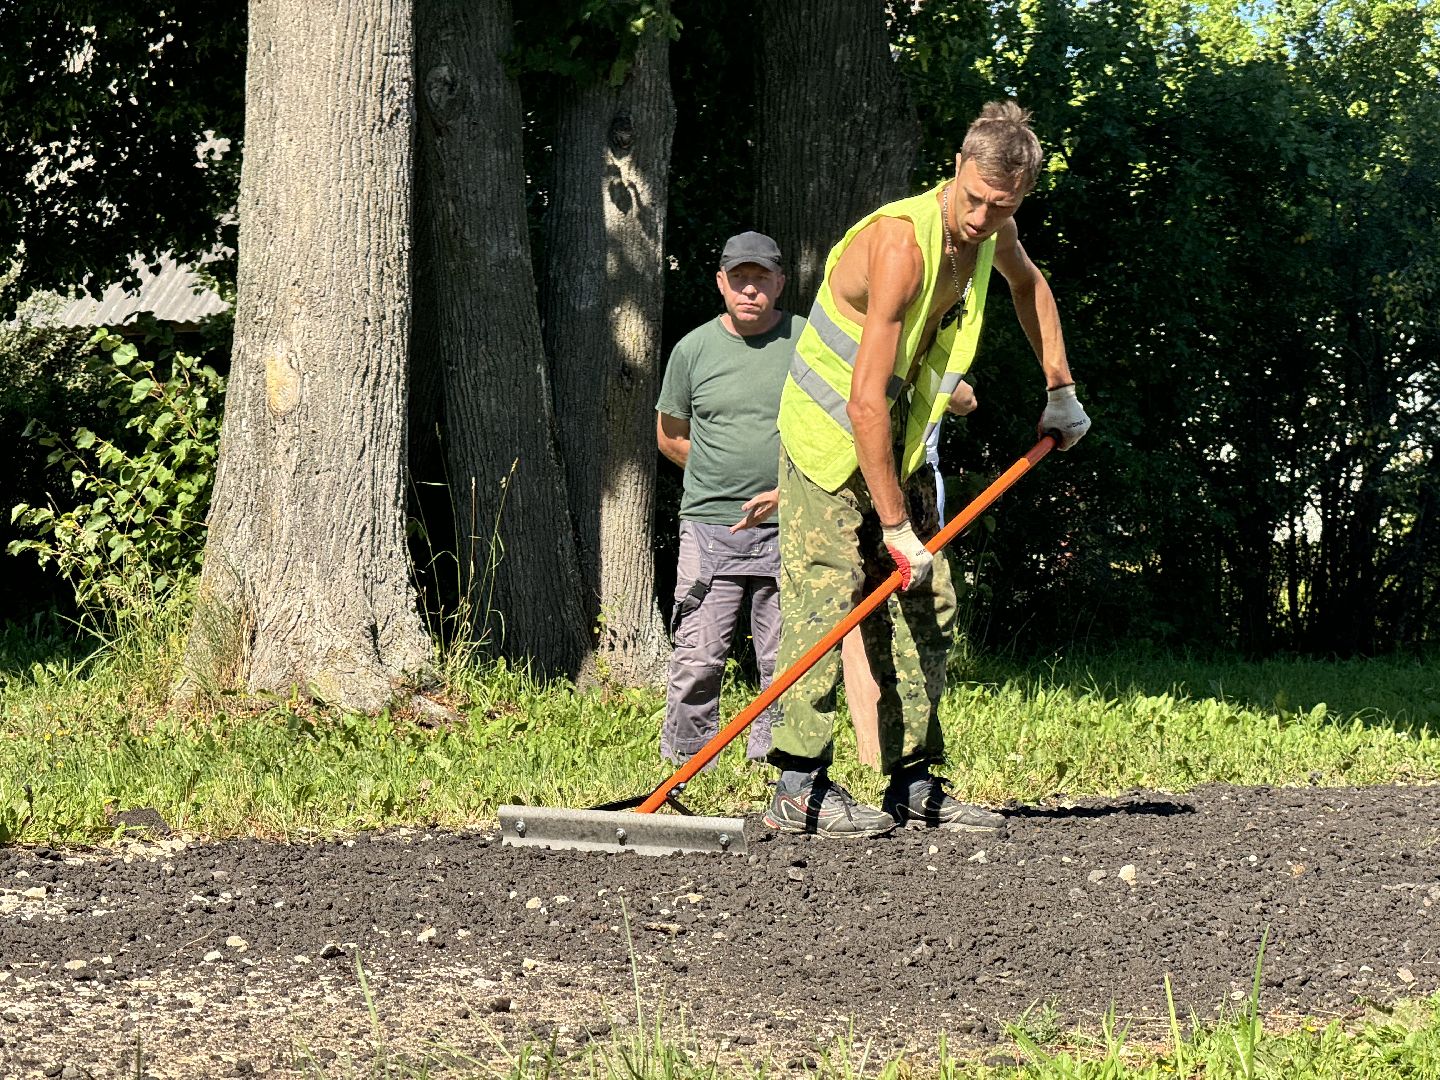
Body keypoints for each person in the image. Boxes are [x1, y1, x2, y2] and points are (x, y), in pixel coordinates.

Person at [763, 101, 1091, 837]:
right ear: (957, 167)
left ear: (1020, 197)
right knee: (825, 599)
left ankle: (911, 781)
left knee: (927, 600)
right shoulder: (900, 246)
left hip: (897, 439)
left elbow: (1031, 286)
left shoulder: (994, 231)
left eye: (1000, 206)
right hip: (827, 436)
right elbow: (862, 402)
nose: (981, 218)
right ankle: (797, 784)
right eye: (974, 198)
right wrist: (895, 528)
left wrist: (1060, 389)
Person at [656, 231, 807, 767]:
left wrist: (789, 493)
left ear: (779, 283)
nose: (749, 289)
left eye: (760, 279)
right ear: (721, 282)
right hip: (710, 525)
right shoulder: (693, 349)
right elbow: (670, 435)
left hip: (792, 520)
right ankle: (689, 759)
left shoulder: (806, 341)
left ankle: (779, 757)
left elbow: (839, 425)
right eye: (739, 278)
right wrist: (717, 480)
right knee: (699, 653)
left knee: (785, 656)